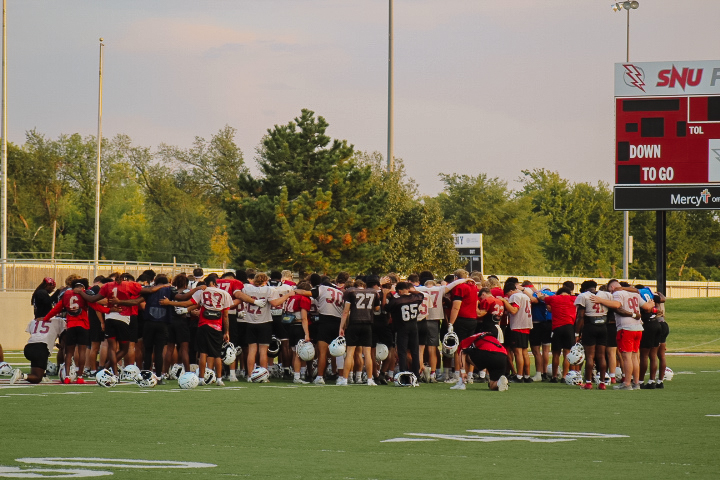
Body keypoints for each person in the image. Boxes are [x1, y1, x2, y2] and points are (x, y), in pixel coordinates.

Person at [161, 274, 233, 386]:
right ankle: (219, 379)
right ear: (214, 283)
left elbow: (186, 303)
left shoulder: (202, 292)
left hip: (203, 324)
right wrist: (226, 332)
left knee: (203, 353)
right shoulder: (225, 294)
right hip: (217, 326)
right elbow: (225, 316)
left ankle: (201, 379)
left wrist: (169, 303)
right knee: (217, 354)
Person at [591, 279, 654, 390]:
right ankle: (636, 383)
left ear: (612, 288)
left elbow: (616, 305)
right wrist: (651, 303)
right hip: (638, 328)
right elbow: (647, 307)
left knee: (626, 357)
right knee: (635, 356)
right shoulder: (633, 293)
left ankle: (627, 384)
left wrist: (600, 300)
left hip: (626, 328)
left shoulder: (618, 293)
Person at [47, 278, 111, 384]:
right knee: (82, 352)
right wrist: (110, 310)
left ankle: (67, 376)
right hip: (83, 325)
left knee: (69, 352)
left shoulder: (67, 294)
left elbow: (56, 309)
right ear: (83, 287)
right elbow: (96, 306)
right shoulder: (84, 294)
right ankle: (80, 376)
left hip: (71, 325)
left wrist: (46, 318)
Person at [78, 273, 143, 374]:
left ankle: (110, 371)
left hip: (110, 317)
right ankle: (121, 369)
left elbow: (94, 300)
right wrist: (161, 287)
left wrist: (80, 292)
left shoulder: (107, 286)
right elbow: (141, 301)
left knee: (110, 347)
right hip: (126, 317)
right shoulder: (130, 286)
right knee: (127, 347)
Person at [236, 273, 293, 381]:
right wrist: (288, 295)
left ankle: (249, 375)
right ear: (265, 281)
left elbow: (239, 295)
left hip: (249, 322)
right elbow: (275, 303)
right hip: (264, 322)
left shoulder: (247, 289)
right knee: (263, 351)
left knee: (252, 351)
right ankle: (263, 375)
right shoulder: (269, 289)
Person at [338, 279, 380, 386]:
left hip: (354, 323)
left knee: (350, 353)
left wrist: (341, 327)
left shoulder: (351, 292)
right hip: (367, 324)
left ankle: (345, 379)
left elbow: (345, 311)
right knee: (367, 354)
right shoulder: (373, 292)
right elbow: (377, 308)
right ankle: (370, 379)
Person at [385, 281, 425, 384]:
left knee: (402, 352)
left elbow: (386, 308)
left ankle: (403, 374)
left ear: (399, 291)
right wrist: (410, 289)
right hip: (414, 327)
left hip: (402, 328)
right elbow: (420, 294)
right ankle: (416, 375)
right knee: (415, 352)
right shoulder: (417, 297)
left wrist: (385, 294)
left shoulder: (397, 301)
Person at [574, 280, 611, 390]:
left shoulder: (584, 296)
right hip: (603, 326)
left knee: (590, 356)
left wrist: (577, 333)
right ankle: (602, 383)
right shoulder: (606, 295)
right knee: (601, 356)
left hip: (590, 326)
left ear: (584, 288)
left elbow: (580, 316)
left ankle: (589, 383)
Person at [10, 315, 67, 384]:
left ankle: (44, 375)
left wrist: (54, 343)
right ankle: (21, 375)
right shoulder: (58, 321)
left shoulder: (33, 321)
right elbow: (66, 339)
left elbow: (38, 336)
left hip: (29, 347)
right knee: (37, 378)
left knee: (40, 362)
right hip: (41, 348)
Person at [446, 269, 479, 385]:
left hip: (462, 319)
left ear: (456, 278)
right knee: (469, 348)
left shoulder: (460, 287)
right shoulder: (473, 287)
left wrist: (451, 323)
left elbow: (456, 307)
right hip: (473, 319)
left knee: (459, 349)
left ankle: (458, 374)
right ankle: (469, 375)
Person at [538, 286, 577, 382]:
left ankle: (554, 376)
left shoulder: (554, 298)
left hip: (557, 328)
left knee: (556, 354)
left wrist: (539, 295)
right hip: (569, 327)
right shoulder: (574, 298)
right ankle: (564, 376)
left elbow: (542, 298)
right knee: (567, 353)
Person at [500, 280, 533, 384]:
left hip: (518, 326)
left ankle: (519, 376)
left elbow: (514, 310)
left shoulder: (515, 296)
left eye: (508, 294)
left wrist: (504, 302)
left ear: (510, 291)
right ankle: (526, 375)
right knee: (524, 352)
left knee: (518, 352)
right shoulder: (525, 296)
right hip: (526, 325)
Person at [284, 281, 312, 384]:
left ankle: (299, 374)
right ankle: (297, 376)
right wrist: (307, 333)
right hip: (298, 326)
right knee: (299, 353)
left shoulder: (291, 298)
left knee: (296, 352)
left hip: (290, 326)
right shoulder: (303, 298)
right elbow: (304, 318)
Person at [527, 284, 552, 381]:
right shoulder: (552, 295)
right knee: (546, 350)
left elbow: (533, 300)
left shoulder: (536, 294)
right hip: (548, 323)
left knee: (536, 351)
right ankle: (544, 372)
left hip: (537, 323)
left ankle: (539, 373)